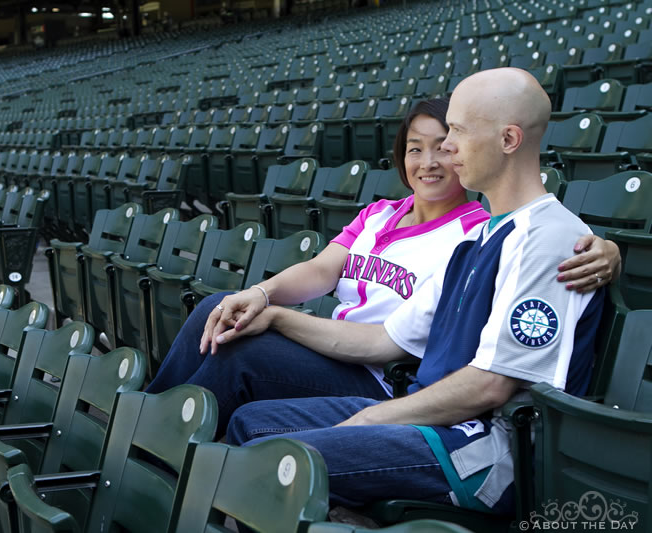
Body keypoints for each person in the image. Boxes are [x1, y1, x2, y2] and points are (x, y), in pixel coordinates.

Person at [223, 68, 607, 514]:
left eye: (458, 131)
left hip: (487, 449)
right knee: (250, 424)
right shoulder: (478, 237)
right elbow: (388, 339)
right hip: (434, 418)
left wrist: (370, 419)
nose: (447, 148)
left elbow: (490, 386)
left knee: (279, 464)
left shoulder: (551, 240)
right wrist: (274, 311)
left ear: (508, 140)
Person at [146, 94, 619, 436]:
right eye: (416, 147)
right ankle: (150, 420)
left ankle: (165, 445)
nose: (431, 160)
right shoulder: (380, 213)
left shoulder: (475, 230)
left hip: (381, 373)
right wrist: (262, 295)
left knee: (238, 354)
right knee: (221, 305)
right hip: (336, 345)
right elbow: (320, 270)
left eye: (444, 144)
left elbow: (547, 236)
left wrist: (607, 250)